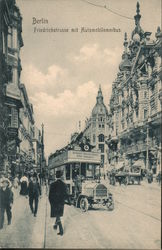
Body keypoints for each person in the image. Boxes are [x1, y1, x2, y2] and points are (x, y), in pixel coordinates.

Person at [49, 170, 70, 236]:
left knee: (57, 216)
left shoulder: (52, 184)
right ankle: (55, 225)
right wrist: (67, 201)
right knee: (58, 215)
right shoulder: (64, 185)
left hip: (54, 203)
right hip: (61, 203)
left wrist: (51, 203)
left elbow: (50, 196)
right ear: (61, 176)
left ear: (56, 176)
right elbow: (66, 195)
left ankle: (61, 231)